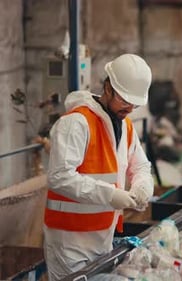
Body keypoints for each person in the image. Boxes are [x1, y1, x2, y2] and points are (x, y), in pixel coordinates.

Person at [43, 54, 155, 280]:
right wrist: (110, 195)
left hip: (102, 238)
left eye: (134, 103)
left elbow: (141, 165)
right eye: (124, 100)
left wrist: (143, 186)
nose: (129, 107)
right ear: (108, 88)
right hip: (69, 244)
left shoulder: (126, 127)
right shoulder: (76, 124)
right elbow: (60, 177)